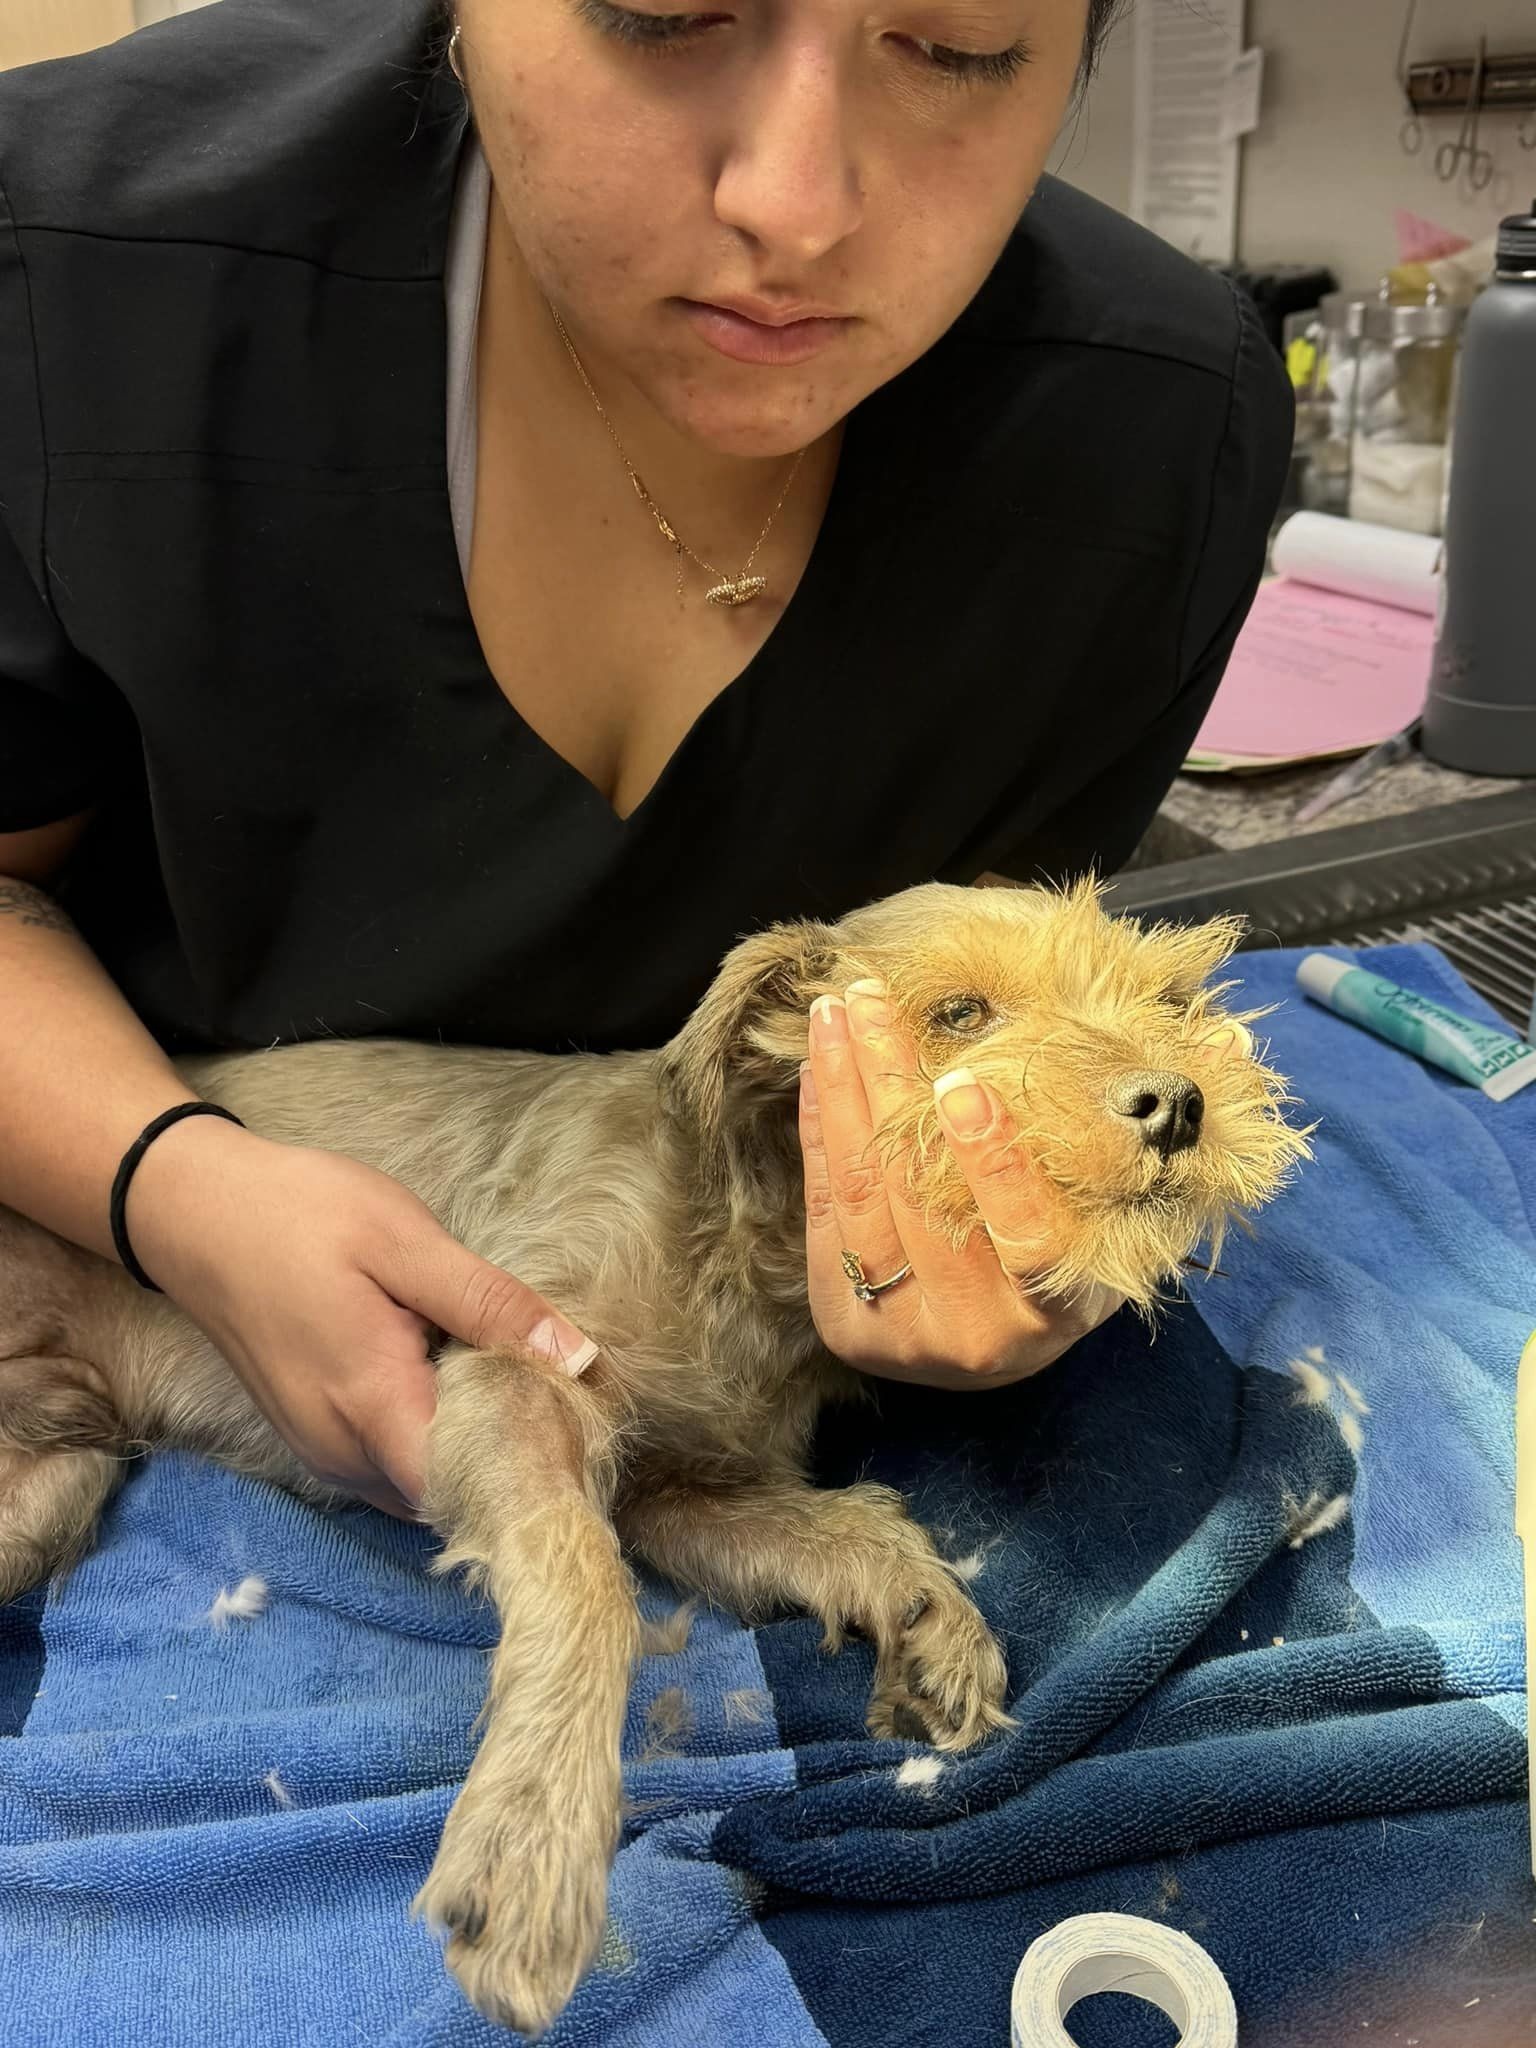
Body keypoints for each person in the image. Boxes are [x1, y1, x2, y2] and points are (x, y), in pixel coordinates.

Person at [0, 0, 1291, 1523]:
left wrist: (1015, 1264)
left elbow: (995, 1019)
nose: (795, 205)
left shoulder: (1152, 435)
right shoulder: (72, 265)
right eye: (662, 12)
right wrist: (180, 1189)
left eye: (958, 49)